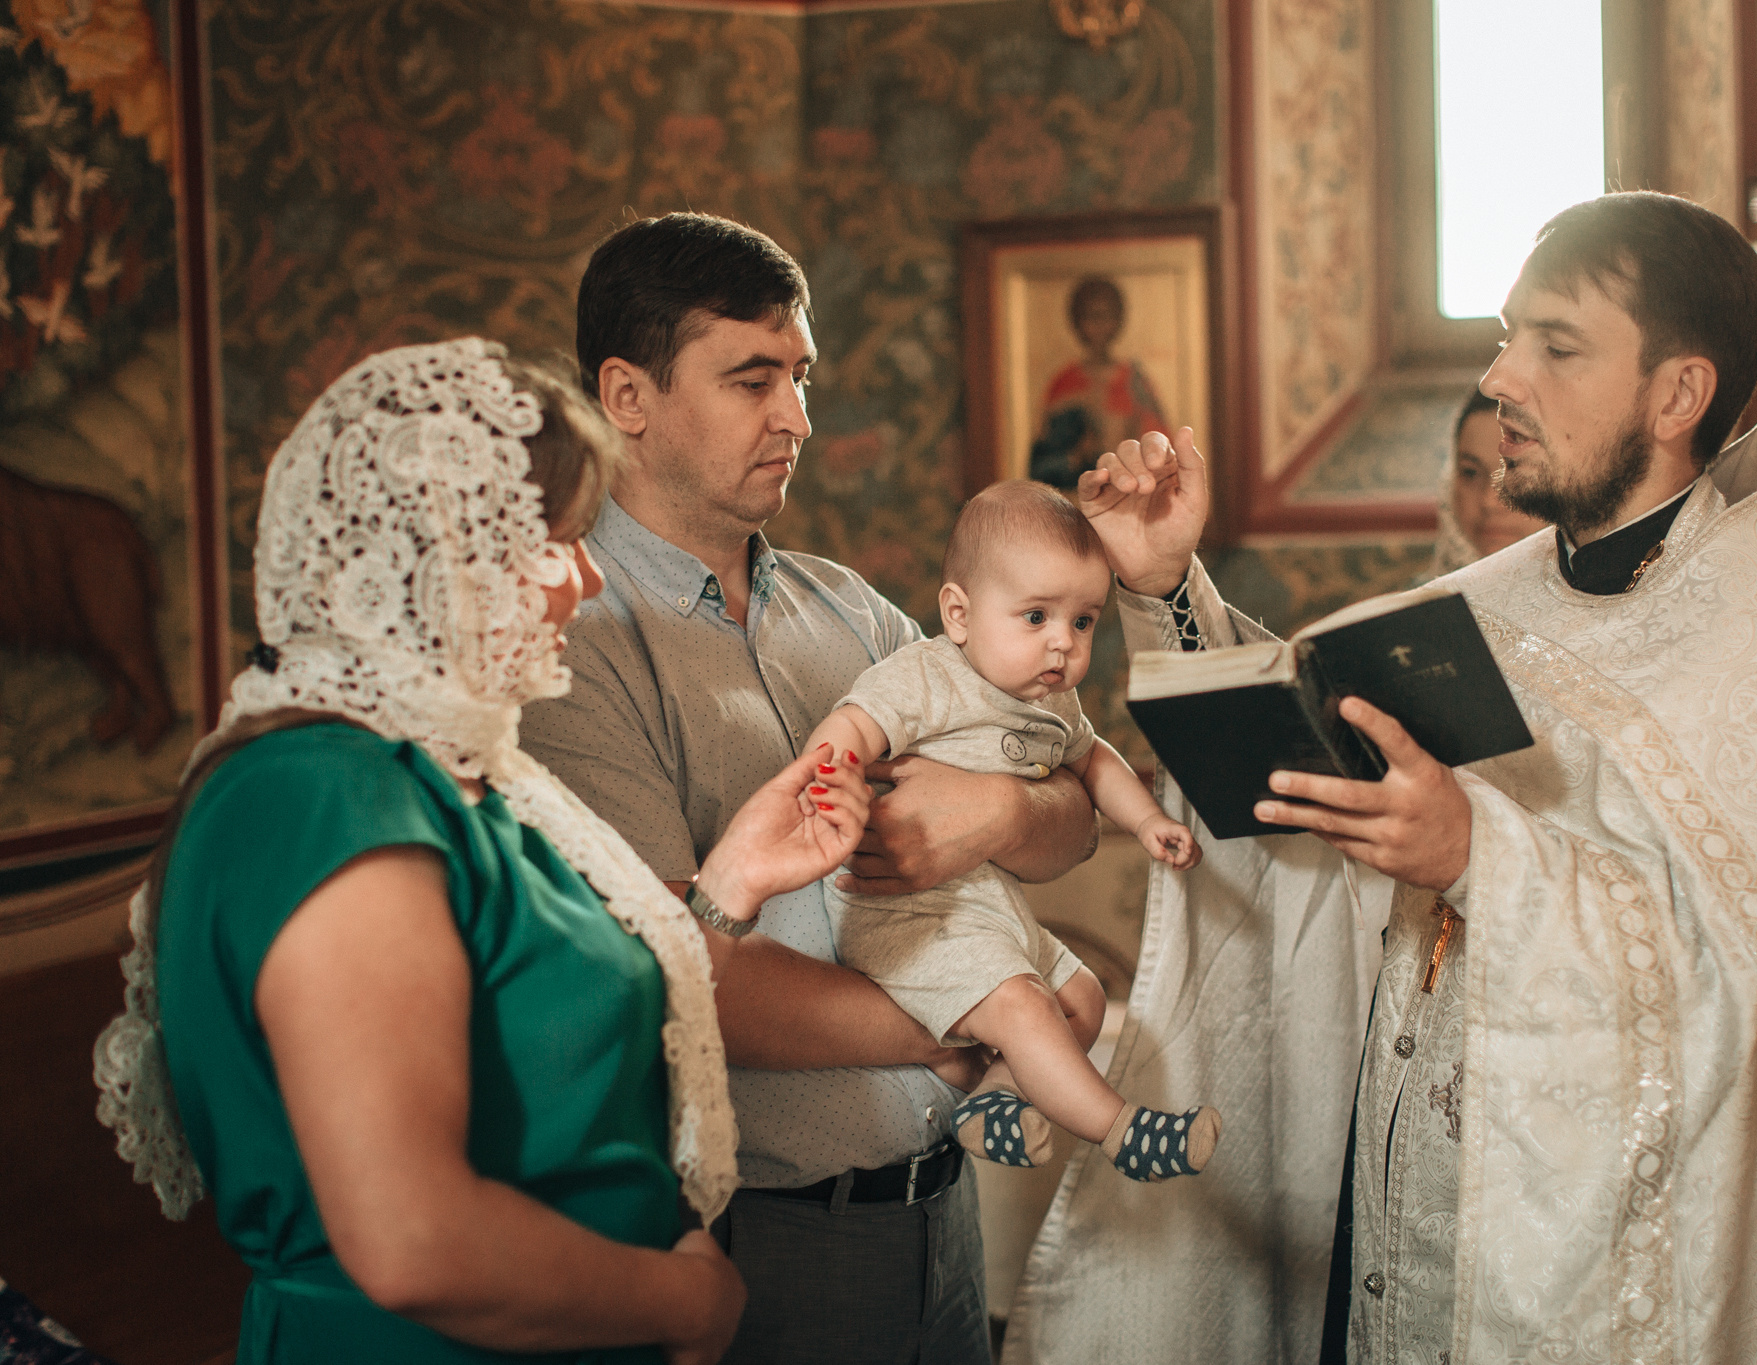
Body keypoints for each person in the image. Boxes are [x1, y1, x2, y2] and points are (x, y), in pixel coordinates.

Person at [1007, 192, 1757, 1365]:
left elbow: (1736, 980)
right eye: (1504, 336)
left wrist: (1474, 855)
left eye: (1554, 345)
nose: (1502, 377)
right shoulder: (1491, 600)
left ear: (1676, 394)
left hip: (1593, 1264)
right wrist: (1163, 587)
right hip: (1398, 1214)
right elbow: (1301, 769)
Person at [91, 339, 875, 1365]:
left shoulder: (467, 780)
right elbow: (415, 1243)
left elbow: (545, 1020)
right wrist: (685, 1303)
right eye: (549, 543)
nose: (586, 579)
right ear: (425, 558)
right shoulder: (322, 794)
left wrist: (729, 882)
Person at [520, 212, 1100, 1365]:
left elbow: (1070, 802)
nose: (797, 418)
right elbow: (685, 974)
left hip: (944, 1213)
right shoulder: (569, 646)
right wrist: (964, 1029)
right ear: (627, 396)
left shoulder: (849, 610)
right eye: (751, 380)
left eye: (799, 375)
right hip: (770, 1236)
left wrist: (1006, 810)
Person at [807, 479, 1218, 1181]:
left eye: (1083, 621)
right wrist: (830, 778)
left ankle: (992, 1102)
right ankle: (1125, 1134)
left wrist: (1148, 819)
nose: (1062, 643)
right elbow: (853, 723)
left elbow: (1093, 761)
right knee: (1026, 1005)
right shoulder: (929, 675)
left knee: (1082, 997)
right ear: (959, 614)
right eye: (1035, 616)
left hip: (987, 913)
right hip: (912, 915)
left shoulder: (1052, 697)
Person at [1028, 276, 1170, 488]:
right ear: (1077, 321)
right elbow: (1042, 463)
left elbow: (1161, 445)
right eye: (1091, 317)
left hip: (1131, 490)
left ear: (1119, 319)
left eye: (1107, 316)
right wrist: (1076, 455)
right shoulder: (1065, 382)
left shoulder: (1135, 381)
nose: (1100, 326)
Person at [1427, 386, 1549, 578]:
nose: (1488, 502)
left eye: (1517, 471)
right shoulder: (1412, 605)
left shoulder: (1605, 606)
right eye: (1470, 473)